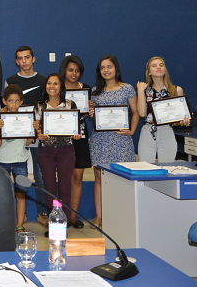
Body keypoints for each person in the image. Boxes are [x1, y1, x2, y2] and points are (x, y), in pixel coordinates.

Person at [89, 55, 138, 227]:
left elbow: (136, 112)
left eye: (109, 66)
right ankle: (99, 216)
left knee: (122, 177)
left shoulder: (127, 89)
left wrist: (132, 130)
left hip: (121, 139)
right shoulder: (95, 91)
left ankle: (122, 216)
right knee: (99, 178)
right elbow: (95, 116)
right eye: (102, 68)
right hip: (100, 140)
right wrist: (92, 114)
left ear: (116, 68)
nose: (106, 70)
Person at [5, 46, 48, 226]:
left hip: (35, 135)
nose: (24, 61)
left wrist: (39, 128)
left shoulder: (43, 81)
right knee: (15, 175)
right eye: (20, 58)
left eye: (27, 57)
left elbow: (46, 109)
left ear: (33, 59)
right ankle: (19, 216)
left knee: (40, 176)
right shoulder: (10, 81)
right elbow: (5, 109)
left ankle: (42, 213)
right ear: (16, 61)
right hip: (15, 139)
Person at [34, 73, 80, 233]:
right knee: (49, 188)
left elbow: (78, 126)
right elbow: (37, 129)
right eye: (49, 83)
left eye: (55, 83)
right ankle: (53, 224)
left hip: (66, 151)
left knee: (65, 187)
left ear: (61, 86)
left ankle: (63, 225)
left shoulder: (70, 104)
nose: (51, 86)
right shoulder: (39, 105)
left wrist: (77, 133)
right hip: (45, 151)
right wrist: (39, 134)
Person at [60, 55, 94, 229]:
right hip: (61, 137)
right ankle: (63, 215)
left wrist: (90, 109)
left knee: (78, 177)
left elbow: (87, 114)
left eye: (77, 70)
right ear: (64, 71)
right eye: (70, 70)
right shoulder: (57, 87)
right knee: (64, 178)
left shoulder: (85, 89)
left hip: (80, 136)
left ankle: (73, 216)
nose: (74, 73)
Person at [136, 57, 189, 163]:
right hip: (148, 132)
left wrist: (184, 120)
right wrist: (140, 91)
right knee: (145, 168)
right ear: (149, 72)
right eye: (154, 66)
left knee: (167, 167)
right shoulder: (145, 90)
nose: (158, 67)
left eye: (161, 65)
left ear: (165, 69)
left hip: (167, 132)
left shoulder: (176, 90)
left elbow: (182, 115)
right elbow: (142, 113)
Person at [0, 84, 32, 231]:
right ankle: (4, 224)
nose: (14, 104)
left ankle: (20, 225)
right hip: (3, 159)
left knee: (21, 194)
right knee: (3, 194)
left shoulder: (26, 118)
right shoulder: (0, 119)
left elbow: (28, 142)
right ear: (4, 101)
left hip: (20, 160)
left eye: (17, 101)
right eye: (10, 101)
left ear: (21, 101)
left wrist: (34, 130)